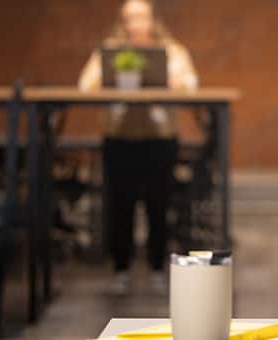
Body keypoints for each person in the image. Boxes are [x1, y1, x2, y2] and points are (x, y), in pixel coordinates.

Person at [77, 0, 197, 295]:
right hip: (120, 138)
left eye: (141, 17)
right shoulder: (110, 51)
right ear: (122, 20)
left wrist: (171, 81)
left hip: (159, 139)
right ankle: (120, 269)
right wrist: (111, 80)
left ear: (152, 19)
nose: (135, 23)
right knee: (121, 205)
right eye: (129, 18)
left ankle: (158, 267)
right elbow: (85, 85)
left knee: (159, 205)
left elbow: (191, 84)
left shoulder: (172, 51)